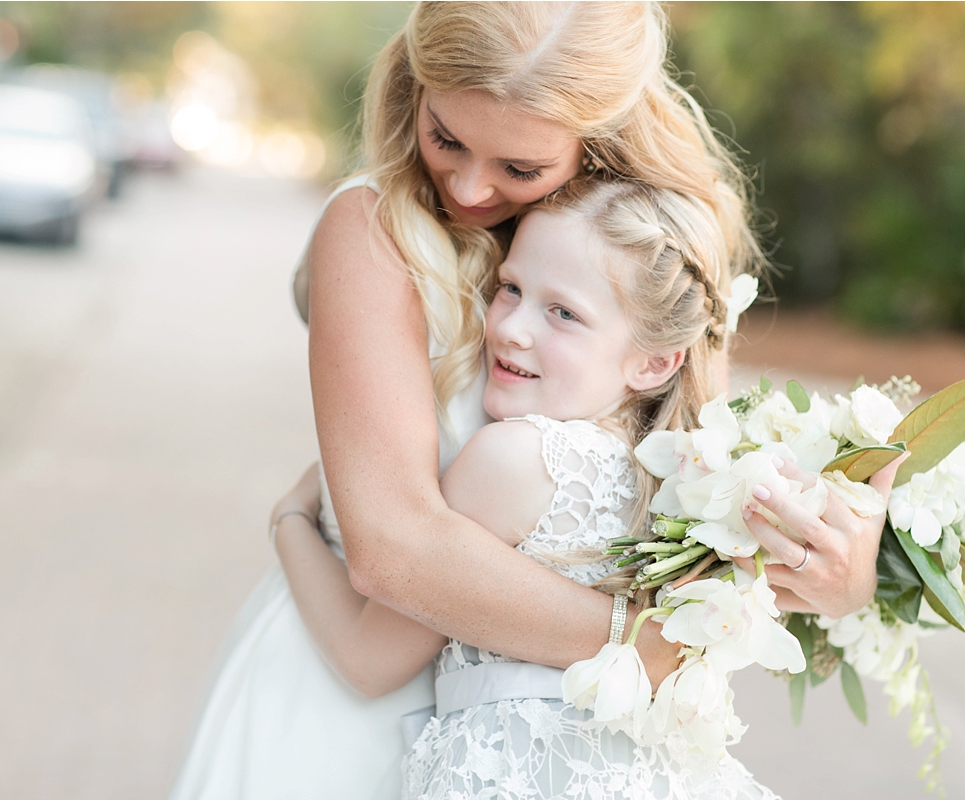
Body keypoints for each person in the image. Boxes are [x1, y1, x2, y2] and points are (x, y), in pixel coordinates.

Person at [172, 3, 885, 798]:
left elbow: (694, 510)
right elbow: (391, 551)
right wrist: (631, 643)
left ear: (596, 137)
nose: (471, 185)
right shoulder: (374, 230)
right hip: (342, 705)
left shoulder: (644, 263)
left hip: (550, 738)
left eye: (519, 169)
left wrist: (834, 577)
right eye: (445, 137)